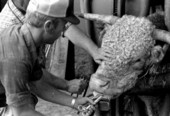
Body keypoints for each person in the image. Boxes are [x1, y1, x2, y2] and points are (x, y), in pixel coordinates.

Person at [0, 0, 100, 115]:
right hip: (8, 106)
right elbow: (22, 112)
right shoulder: (16, 56)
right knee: (21, 106)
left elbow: (37, 84)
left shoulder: (24, 40)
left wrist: (74, 102)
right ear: (49, 26)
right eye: (63, 25)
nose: (63, 31)